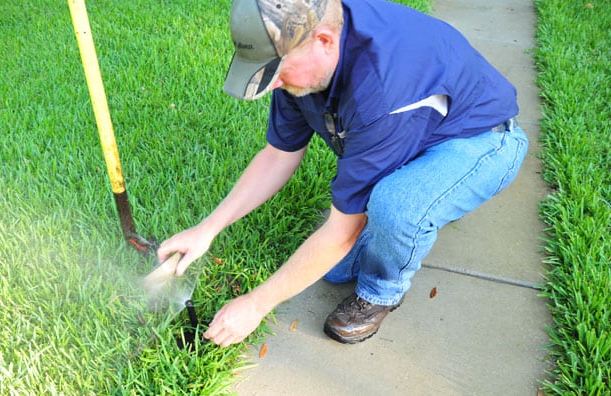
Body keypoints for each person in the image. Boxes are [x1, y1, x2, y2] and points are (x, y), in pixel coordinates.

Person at [157, 0, 528, 346]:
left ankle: (381, 292)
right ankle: (422, 199)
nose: (273, 84)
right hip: (418, 131)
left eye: (277, 71)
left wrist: (256, 304)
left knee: (396, 208)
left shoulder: (380, 91)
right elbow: (277, 155)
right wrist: (207, 229)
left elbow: (341, 233)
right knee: (332, 271)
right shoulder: (301, 52)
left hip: (482, 142)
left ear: (323, 40)